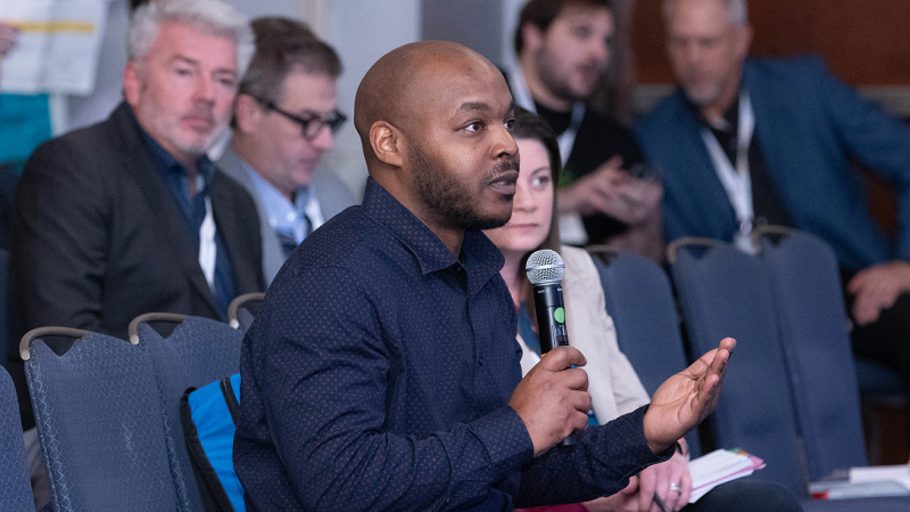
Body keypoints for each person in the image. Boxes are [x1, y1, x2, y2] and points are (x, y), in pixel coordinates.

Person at [235, 40, 736, 511]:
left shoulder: (476, 270)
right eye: (475, 126)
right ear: (390, 144)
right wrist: (516, 428)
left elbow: (510, 473)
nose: (507, 146)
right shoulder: (331, 280)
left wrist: (647, 431)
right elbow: (341, 485)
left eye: (508, 122)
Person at [486, 107, 799, 512]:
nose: (529, 201)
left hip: (626, 479)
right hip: (557, 494)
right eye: (514, 183)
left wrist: (662, 457)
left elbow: (626, 395)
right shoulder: (460, 298)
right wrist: (612, 491)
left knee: (761, 502)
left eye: (542, 181)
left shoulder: (576, 271)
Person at [635, 0, 910, 395]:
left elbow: (905, 157)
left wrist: (904, 265)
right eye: (680, 43)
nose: (693, 58)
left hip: (843, 290)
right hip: (737, 315)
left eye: (707, 43)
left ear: (740, 40)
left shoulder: (804, 89)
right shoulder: (655, 135)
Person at [9, 0, 263, 427]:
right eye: (184, 71)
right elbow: (66, 346)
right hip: (102, 433)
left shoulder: (235, 200)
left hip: (225, 433)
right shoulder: (73, 167)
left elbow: (256, 335)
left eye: (224, 79)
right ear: (133, 79)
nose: (206, 95)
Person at [510, 0, 662, 258]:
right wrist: (569, 200)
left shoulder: (615, 139)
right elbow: (461, 212)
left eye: (606, 41)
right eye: (582, 33)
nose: (599, 54)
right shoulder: (483, 107)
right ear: (534, 35)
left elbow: (646, 260)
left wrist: (646, 217)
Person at [221, 16, 357, 285]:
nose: (325, 142)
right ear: (248, 113)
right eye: (307, 121)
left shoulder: (340, 198)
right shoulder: (208, 208)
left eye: (329, 120)